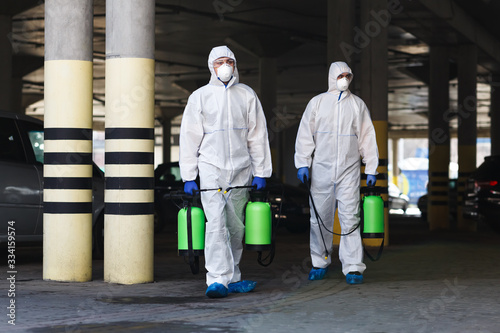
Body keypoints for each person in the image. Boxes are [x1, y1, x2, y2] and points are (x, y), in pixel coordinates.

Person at [179, 45, 272, 298]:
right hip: (211, 167)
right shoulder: (200, 96)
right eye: (220, 61)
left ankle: (233, 276)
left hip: (241, 169)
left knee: (236, 225)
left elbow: (257, 135)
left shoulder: (247, 95)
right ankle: (217, 279)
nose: (225, 65)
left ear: (235, 64)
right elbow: (189, 138)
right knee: (216, 224)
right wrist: (189, 176)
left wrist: (262, 172)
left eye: (229, 60)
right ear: (211, 66)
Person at [294, 61, 379, 285]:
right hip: (321, 169)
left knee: (350, 217)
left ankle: (353, 267)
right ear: (332, 76)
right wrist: (302, 162)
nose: (344, 79)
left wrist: (371, 167)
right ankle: (319, 261)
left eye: (348, 76)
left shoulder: (357, 105)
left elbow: (367, 138)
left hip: (349, 170)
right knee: (319, 218)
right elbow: (305, 134)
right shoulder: (317, 103)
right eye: (340, 75)